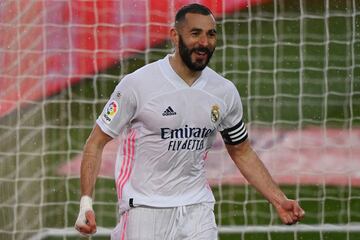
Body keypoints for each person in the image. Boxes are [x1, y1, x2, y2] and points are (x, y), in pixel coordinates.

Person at [75, 3, 305, 239]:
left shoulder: (224, 92)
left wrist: (279, 199)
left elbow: (241, 150)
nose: (204, 42)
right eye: (195, 33)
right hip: (144, 210)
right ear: (175, 36)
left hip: (197, 209)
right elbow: (95, 143)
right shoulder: (137, 85)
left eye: (211, 34)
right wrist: (86, 204)